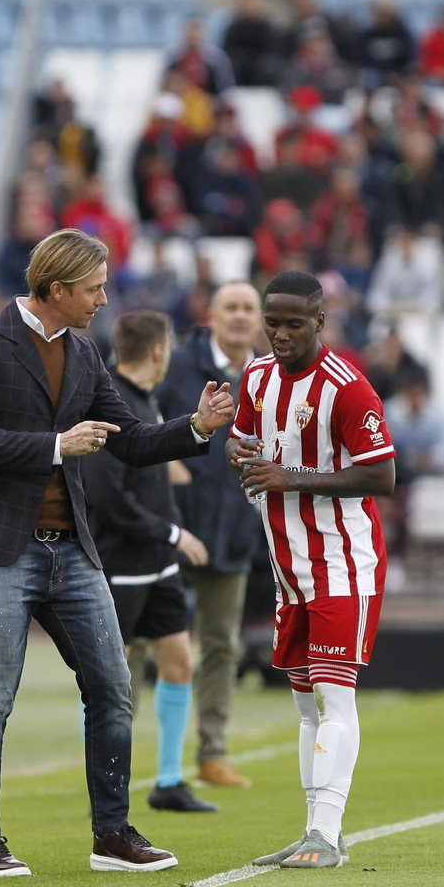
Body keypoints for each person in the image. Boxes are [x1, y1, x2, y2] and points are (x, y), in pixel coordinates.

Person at [0, 229, 235, 876]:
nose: (104, 298)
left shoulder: (85, 351)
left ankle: (112, 834)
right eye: (95, 287)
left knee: (112, 684)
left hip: (71, 548)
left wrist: (195, 427)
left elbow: (127, 439)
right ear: (56, 288)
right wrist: (57, 444)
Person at [229, 270, 398, 870]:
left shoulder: (347, 389)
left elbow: (383, 476)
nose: (279, 333)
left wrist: (290, 477)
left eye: (293, 323)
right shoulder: (255, 377)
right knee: (304, 707)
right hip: (288, 569)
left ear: (319, 322)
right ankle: (312, 830)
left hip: (342, 563)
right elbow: (244, 440)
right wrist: (237, 451)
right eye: (272, 321)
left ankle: (327, 832)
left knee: (334, 697)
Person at [81, 310, 219, 814]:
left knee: (179, 663)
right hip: (117, 565)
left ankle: (167, 780)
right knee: (107, 678)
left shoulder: (145, 402)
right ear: (160, 351)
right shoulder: (108, 403)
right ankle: (104, 781)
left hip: (157, 565)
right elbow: (108, 498)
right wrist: (172, 531)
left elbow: (140, 475)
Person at [157, 282, 264, 789]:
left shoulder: (270, 377)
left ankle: (212, 752)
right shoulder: (178, 365)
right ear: (212, 316)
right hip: (170, 527)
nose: (241, 317)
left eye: (249, 308)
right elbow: (139, 420)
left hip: (235, 528)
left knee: (222, 644)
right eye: (232, 307)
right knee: (142, 641)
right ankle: (132, 751)